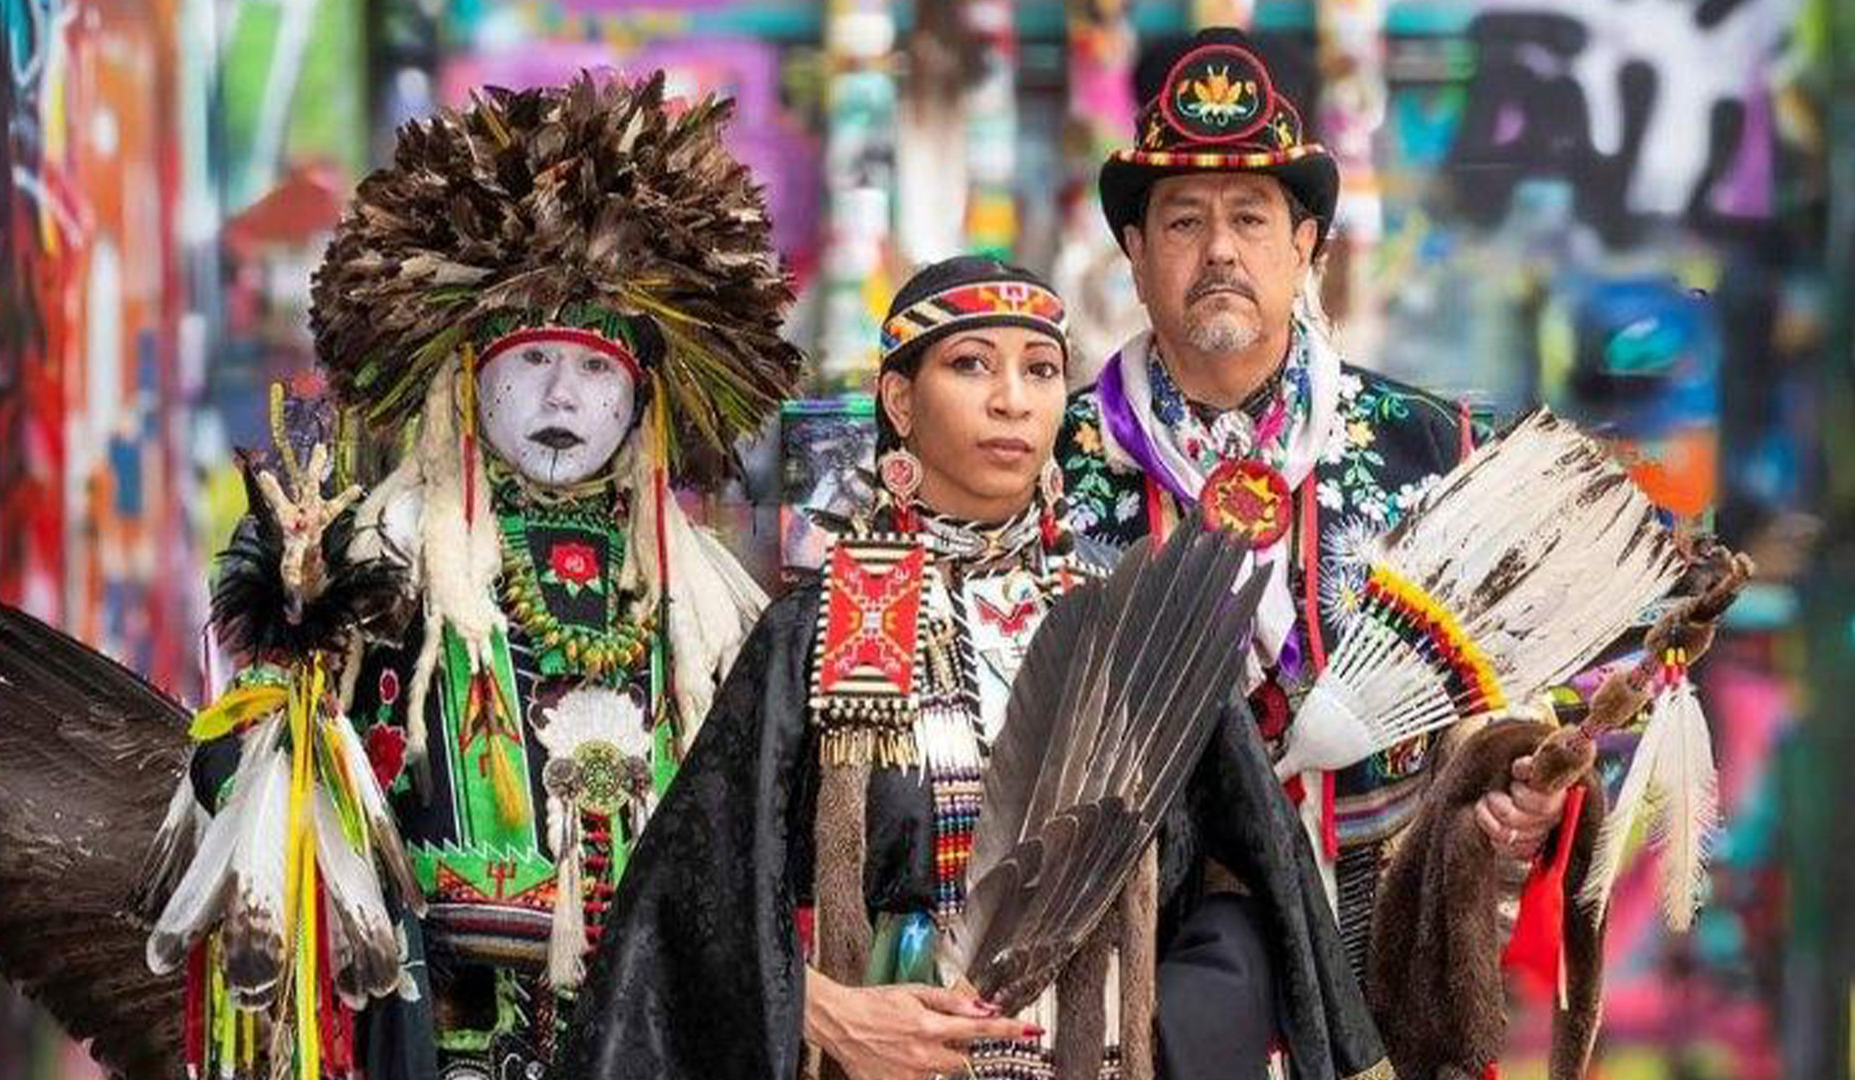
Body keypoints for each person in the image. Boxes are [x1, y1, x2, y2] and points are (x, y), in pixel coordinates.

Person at [565, 256, 1387, 1080]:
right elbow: (683, 907)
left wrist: (1169, 1018)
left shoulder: (1137, 624)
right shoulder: (822, 627)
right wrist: (823, 1010)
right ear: (899, 400)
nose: (1012, 400)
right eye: (970, 365)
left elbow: (1263, 881)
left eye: (1041, 370)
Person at [163, 72, 804, 1078]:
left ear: (641, 402)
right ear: (469, 382)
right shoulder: (383, 556)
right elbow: (255, 780)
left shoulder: (708, 602)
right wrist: (293, 688)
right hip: (444, 1032)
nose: (563, 397)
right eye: (534, 362)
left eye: (595, 369)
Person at [1054, 26, 1567, 975]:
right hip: (1113, 962)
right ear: (1134, 251)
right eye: (1183, 222)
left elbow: (1509, 697)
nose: (1219, 250)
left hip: (1375, 951)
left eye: (1251, 218)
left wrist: (1516, 787)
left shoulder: (1433, 447)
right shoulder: (1055, 458)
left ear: (1304, 247)